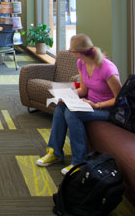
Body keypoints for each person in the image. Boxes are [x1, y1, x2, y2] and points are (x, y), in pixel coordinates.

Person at [36, 34, 122, 174]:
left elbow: (119, 99)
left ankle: (79, 162)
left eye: (71, 51)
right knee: (60, 107)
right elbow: (83, 89)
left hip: (107, 109)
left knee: (72, 113)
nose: (70, 53)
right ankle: (55, 152)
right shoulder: (81, 63)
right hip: (88, 102)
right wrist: (65, 95)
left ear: (79, 52)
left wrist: (97, 105)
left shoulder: (107, 69)